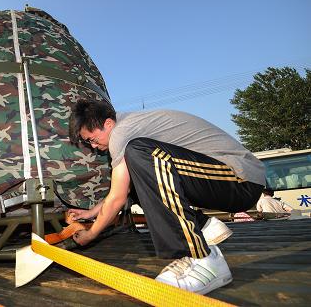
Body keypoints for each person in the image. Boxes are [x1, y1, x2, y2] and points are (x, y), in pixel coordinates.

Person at [67, 99, 265, 295]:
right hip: (224, 179)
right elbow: (123, 189)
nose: (93, 146)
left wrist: (91, 234)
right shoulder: (127, 127)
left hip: (241, 179)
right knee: (138, 171)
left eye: (92, 139)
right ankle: (204, 227)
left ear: (108, 124)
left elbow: (117, 198)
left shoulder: (121, 133)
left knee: (140, 153)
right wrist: (92, 212)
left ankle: (204, 260)